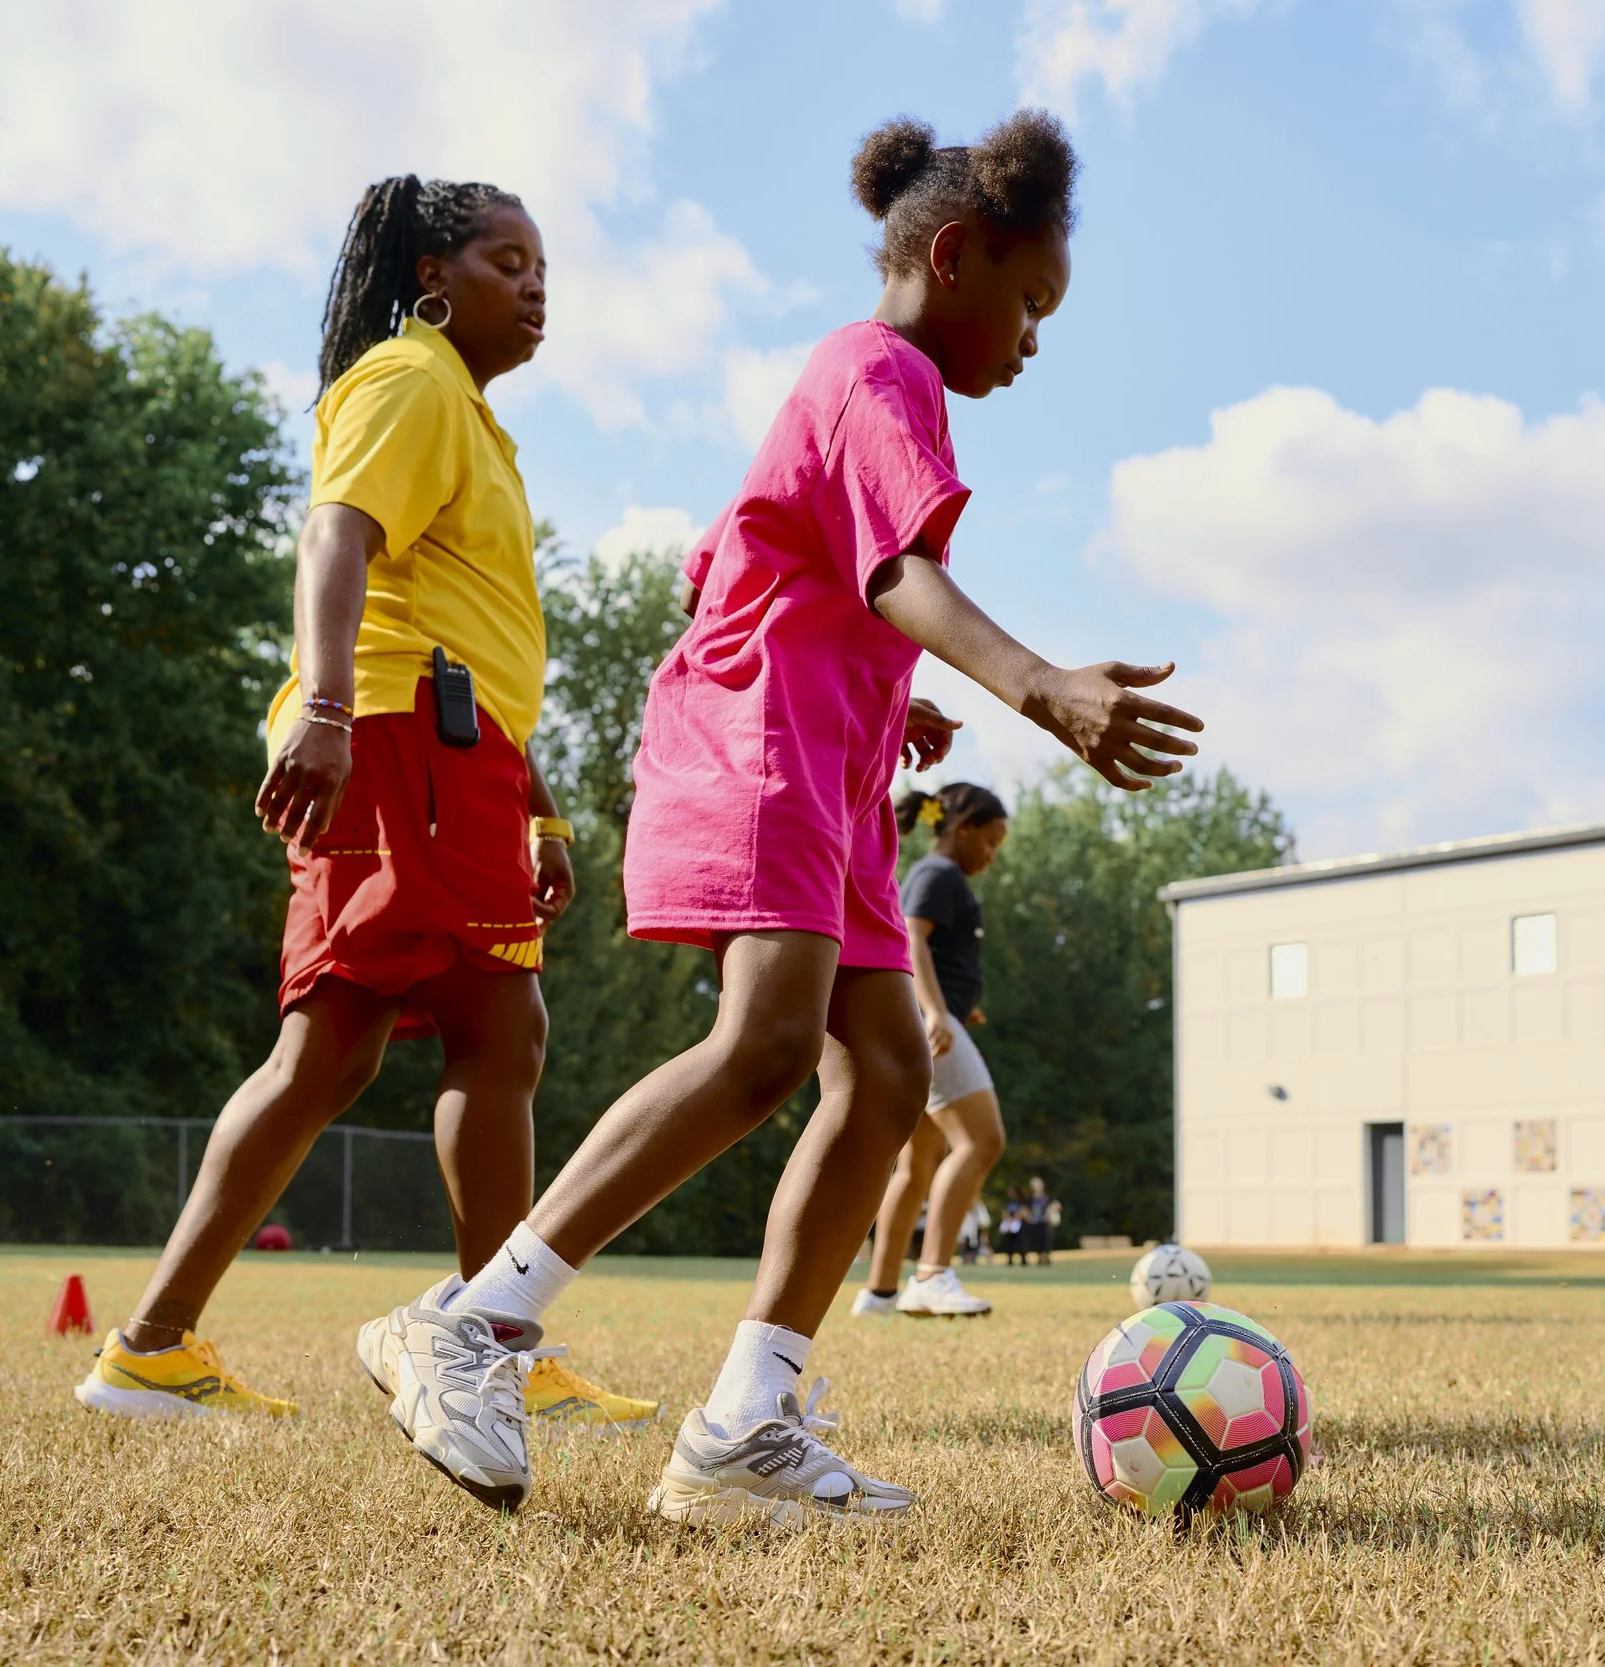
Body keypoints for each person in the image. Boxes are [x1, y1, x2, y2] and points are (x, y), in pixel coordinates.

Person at [367, 110, 1203, 1521]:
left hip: (829, 766)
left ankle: (746, 1422)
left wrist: (887, 700)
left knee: (881, 1074)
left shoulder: (848, 384)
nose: (1036, 341)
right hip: (762, 749)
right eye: (1032, 302)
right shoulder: (881, 370)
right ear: (956, 257)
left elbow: (753, 557)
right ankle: (477, 1321)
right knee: (762, 1044)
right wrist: (1038, 685)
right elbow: (894, 573)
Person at [75, 177, 652, 1431]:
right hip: (398, 742)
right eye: (509, 260)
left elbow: (471, 642)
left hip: (443, 746)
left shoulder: (466, 413)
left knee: (335, 1049)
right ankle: (490, 1339)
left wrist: (539, 804)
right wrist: (329, 712)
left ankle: (153, 1348)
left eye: (545, 265)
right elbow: (335, 535)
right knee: (497, 1029)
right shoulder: (411, 378)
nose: (537, 285)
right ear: (434, 275)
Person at [854, 783, 1010, 1319]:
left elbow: (936, 953)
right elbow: (912, 938)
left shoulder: (941, 877)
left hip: (932, 1020)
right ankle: (932, 1274)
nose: (992, 855)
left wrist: (957, 1003)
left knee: (917, 1164)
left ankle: (878, 1294)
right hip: (930, 1026)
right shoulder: (938, 874)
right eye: (991, 841)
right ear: (961, 826)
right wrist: (937, 1012)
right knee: (981, 1140)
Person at [1024, 1175, 1058, 1265]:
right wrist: (1029, 1218)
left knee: (1046, 1240)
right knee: (1036, 1240)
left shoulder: (1047, 1197)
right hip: (1035, 1223)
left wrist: (1050, 1212)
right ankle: (1039, 1257)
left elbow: (1057, 1205)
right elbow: (1025, 1209)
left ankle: (1046, 1256)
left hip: (1045, 1223)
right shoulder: (1030, 1199)